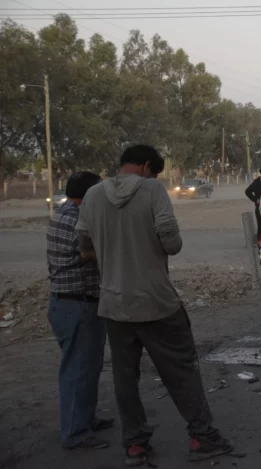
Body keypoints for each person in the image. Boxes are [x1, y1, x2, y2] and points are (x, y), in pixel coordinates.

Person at [76, 144, 233, 466]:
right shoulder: (153, 190)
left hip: (114, 306)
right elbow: (171, 243)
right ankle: (203, 437)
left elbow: (83, 247)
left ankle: (135, 445)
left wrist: (113, 248)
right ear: (148, 167)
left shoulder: (92, 195)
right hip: (156, 302)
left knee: (125, 378)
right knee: (181, 371)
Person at [46, 171, 112, 451]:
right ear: (89, 194)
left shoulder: (66, 212)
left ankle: (85, 419)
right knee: (78, 370)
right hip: (77, 304)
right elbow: (88, 252)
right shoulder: (77, 219)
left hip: (73, 302)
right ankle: (75, 432)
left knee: (87, 367)